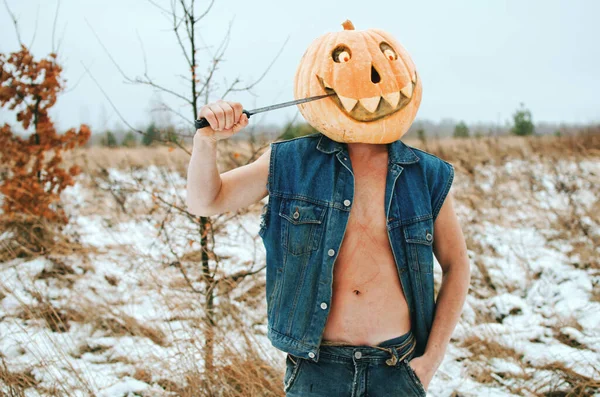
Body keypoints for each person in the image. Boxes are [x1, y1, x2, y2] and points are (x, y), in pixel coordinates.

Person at [186, 99, 470, 396]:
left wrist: (431, 360)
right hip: (317, 373)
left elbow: (457, 265)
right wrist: (206, 141)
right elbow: (205, 201)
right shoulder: (289, 162)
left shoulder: (425, 174)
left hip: (396, 370)